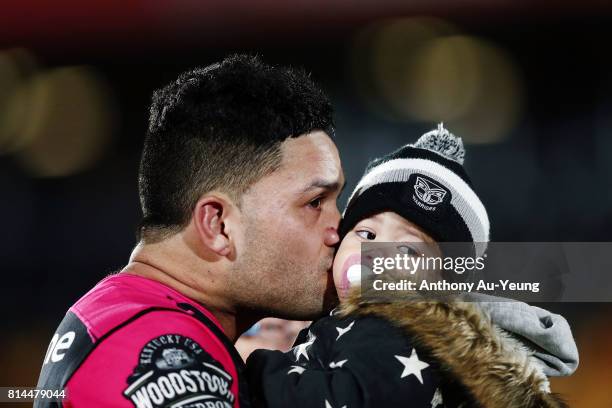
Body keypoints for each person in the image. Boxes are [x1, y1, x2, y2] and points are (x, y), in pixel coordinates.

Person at [34, 54, 345, 407]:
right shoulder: (160, 356)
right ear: (218, 225)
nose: (339, 229)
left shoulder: (135, 320)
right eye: (316, 202)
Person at [246, 125, 577, 407]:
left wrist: (249, 363)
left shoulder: (397, 335)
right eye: (366, 232)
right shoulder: (349, 320)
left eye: (407, 250)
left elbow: (339, 398)